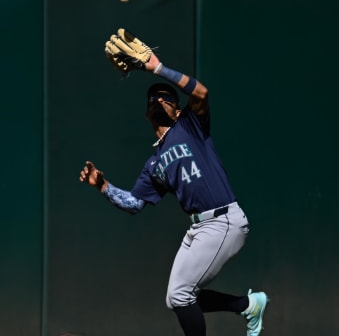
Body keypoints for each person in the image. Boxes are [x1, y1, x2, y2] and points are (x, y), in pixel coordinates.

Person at [79, 50, 268, 336]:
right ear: (146, 113)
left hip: (223, 221)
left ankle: (248, 305)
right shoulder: (153, 164)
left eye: (166, 97)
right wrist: (103, 187)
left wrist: (159, 69)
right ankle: (248, 305)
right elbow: (133, 203)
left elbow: (201, 92)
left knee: (181, 294)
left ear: (177, 109)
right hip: (199, 228)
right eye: (153, 97)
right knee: (176, 298)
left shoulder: (189, 125)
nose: (158, 99)